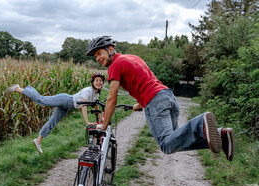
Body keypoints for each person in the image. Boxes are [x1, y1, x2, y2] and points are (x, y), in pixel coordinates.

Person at [86, 36, 235, 161]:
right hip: (167, 96)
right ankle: (221, 135)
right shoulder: (132, 58)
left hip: (156, 102)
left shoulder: (115, 66)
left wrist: (104, 126)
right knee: (177, 141)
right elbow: (146, 81)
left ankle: (199, 123)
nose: (98, 58)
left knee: (166, 144)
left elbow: (112, 99)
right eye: (95, 56)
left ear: (110, 49)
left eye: (99, 53)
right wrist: (140, 103)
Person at [5, 72, 105, 154]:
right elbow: (83, 106)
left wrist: (100, 119)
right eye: (97, 80)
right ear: (93, 82)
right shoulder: (88, 91)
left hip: (68, 106)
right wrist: (87, 122)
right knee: (41, 100)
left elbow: (96, 106)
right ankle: (17, 88)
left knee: (53, 122)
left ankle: (38, 140)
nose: (99, 82)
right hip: (65, 100)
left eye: (101, 81)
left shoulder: (95, 94)